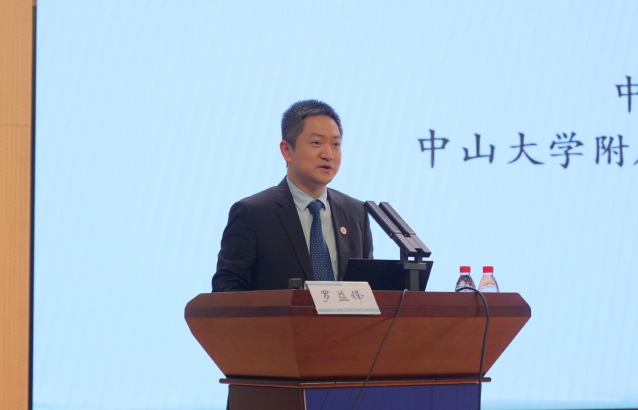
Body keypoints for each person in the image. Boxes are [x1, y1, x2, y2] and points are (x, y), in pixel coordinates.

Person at [212, 100, 373, 292]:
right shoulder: (253, 213)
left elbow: (368, 289)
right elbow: (226, 289)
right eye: (317, 143)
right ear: (287, 150)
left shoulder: (356, 212)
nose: (328, 154)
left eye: (335, 144)